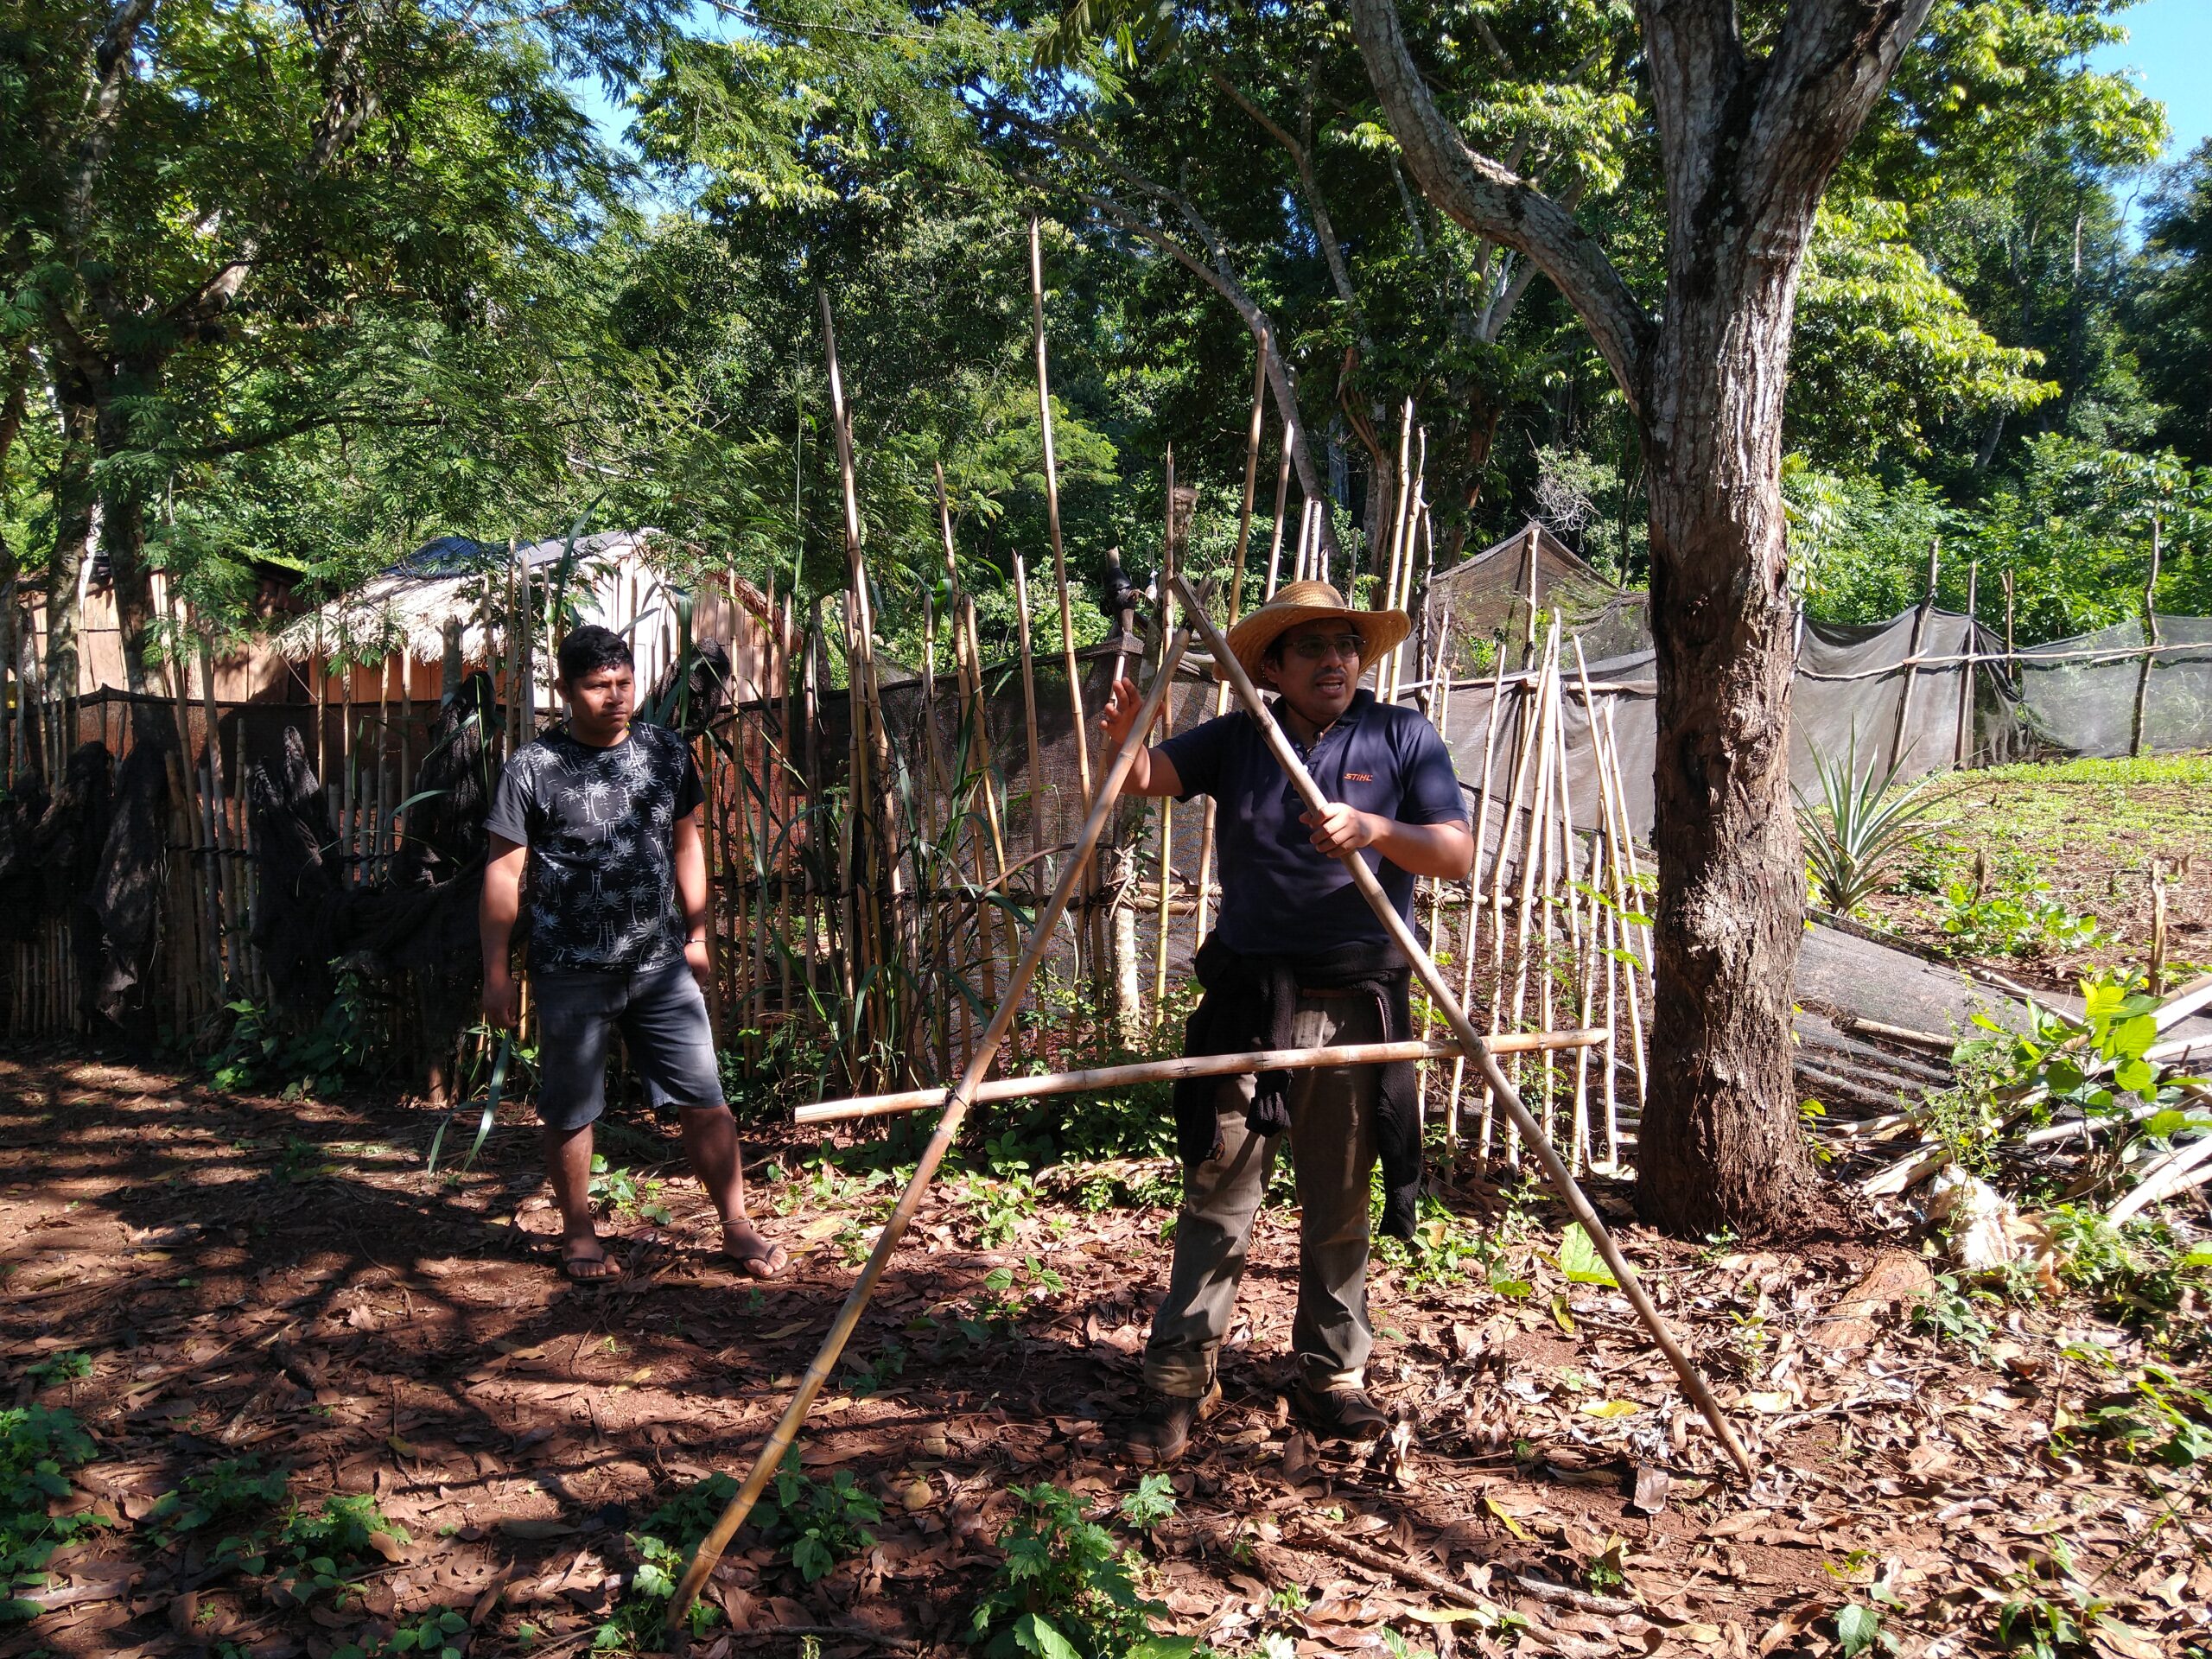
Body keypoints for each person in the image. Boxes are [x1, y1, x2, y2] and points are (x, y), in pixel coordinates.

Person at [1097, 581, 1473, 1465]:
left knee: (1340, 1202)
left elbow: (1453, 854)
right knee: (1220, 1196)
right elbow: (1152, 777)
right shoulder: (1241, 739)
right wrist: (1125, 744)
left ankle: (1330, 1379)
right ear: (1270, 667)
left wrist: (1374, 828)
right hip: (1250, 1004)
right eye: (1311, 648)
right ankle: (1177, 1379)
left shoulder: (1400, 737)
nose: (1334, 660)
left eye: (1345, 644)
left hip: (1357, 1007)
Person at [480, 623, 785, 1284]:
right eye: (598, 686)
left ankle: (736, 1225)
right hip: (569, 971)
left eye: (624, 683)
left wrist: (698, 935)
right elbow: (505, 875)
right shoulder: (532, 769)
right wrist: (498, 973)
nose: (615, 697)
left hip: (659, 967)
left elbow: (687, 846)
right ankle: (579, 1231)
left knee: (705, 1095)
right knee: (571, 1107)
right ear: (565, 690)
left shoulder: (666, 752)